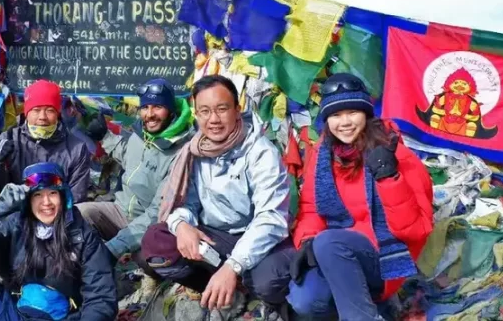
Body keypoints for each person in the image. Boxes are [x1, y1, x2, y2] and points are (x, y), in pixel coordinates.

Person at [140, 75, 295, 320]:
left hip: (260, 240)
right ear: (196, 114)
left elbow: (271, 218)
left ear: (237, 109)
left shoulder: (261, 151)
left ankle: (253, 295)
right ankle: (224, 291)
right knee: (155, 244)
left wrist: (233, 266)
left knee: (271, 281)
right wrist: (182, 225)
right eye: (205, 111)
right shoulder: (194, 151)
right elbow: (186, 203)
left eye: (222, 109)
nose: (213, 119)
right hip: (216, 238)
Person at [288, 73, 434, 320]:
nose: (344, 122)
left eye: (352, 112)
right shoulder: (323, 156)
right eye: (335, 115)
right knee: (305, 300)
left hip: (383, 257)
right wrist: (307, 240)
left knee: (329, 242)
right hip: (336, 253)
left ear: (366, 114)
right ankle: (369, 308)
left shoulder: (394, 155)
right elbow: (311, 208)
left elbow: (417, 230)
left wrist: (389, 179)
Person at [0, 162, 118, 321]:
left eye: (53, 193)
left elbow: (101, 298)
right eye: (37, 195)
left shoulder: (82, 236)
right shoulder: (15, 226)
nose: (46, 202)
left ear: (64, 198)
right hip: (14, 313)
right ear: (28, 201)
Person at [77, 80, 195, 276]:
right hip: (121, 210)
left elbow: (157, 213)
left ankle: (143, 278)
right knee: (78, 214)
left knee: (147, 254)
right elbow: (128, 155)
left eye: (158, 107)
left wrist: (114, 248)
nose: (150, 114)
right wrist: (105, 136)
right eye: (145, 107)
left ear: (171, 110)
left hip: (152, 224)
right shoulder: (142, 133)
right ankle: (83, 271)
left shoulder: (180, 152)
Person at [0, 80, 93, 203]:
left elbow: (77, 197)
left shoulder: (77, 148)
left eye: (49, 110)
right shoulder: (10, 138)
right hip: (15, 214)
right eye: (36, 110)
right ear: (27, 113)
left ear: (57, 113)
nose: (42, 117)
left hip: (58, 215)